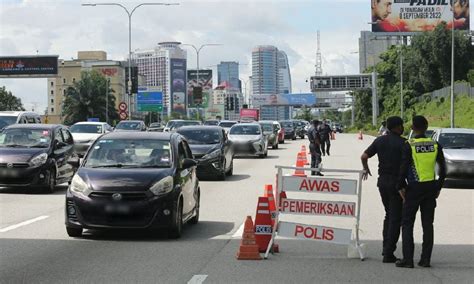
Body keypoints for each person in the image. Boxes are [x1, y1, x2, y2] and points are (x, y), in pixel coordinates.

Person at [395, 116, 446, 268]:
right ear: (426, 127)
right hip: (430, 188)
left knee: (407, 223)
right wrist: (438, 187)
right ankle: (425, 260)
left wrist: (400, 187)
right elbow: (443, 169)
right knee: (428, 224)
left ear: (412, 127)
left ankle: (408, 260)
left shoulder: (409, 145)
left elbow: (403, 168)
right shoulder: (435, 144)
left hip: (414, 188)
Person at [361, 116, 405, 263]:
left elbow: (364, 156)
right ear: (398, 127)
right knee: (395, 218)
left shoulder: (380, 140)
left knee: (388, 215)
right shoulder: (403, 143)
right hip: (397, 184)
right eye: (401, 126)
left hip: (382, 183)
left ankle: (386, 247)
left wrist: (366, 169)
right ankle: (388, 252)